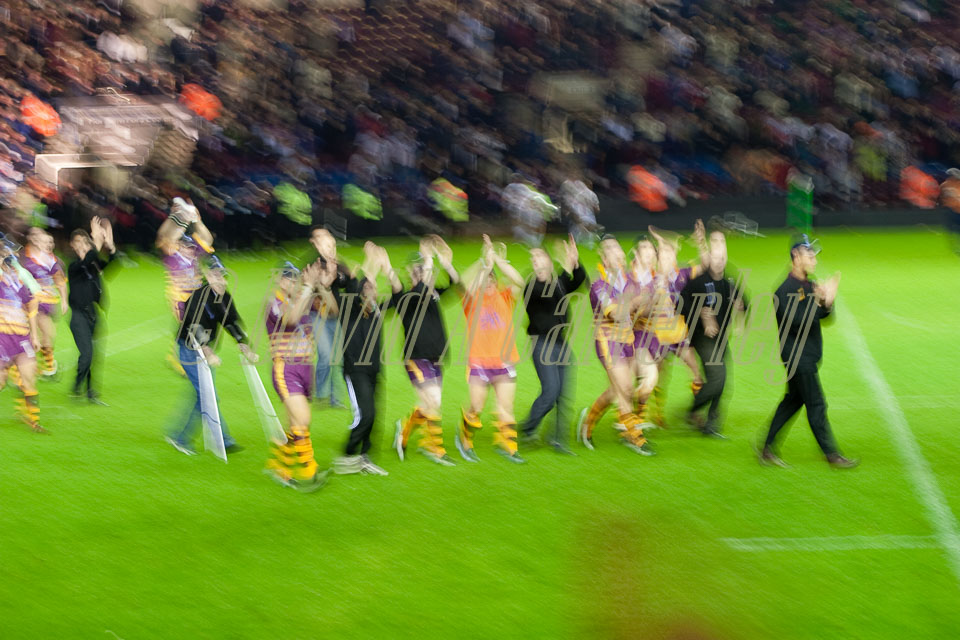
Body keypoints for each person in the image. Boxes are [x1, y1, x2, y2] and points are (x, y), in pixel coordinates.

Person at [759, 235, 858, 469]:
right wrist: (819, 301)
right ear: (795, 256)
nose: (814, 259)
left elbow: (824, 318)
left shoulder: (809, 285)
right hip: (796, 356)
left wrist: (826, 303)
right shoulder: (784, 290)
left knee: (792, 401)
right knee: (816, 404)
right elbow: (797, 322)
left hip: (807, 354)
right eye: (809, 255)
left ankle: (766, 448)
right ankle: (832, 454)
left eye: (815, 255)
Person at [165, 256, 256, 456]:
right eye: (216, 275)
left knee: (204, 395)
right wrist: (208, 352)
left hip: (204, 350)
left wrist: (244, 345)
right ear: (207, 275)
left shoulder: (224, 297)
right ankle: (183, 439)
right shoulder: (198, 298)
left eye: (223, 275)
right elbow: (195, 327)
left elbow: (231, 322)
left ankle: (184, 434)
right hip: (189, 349)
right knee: (207, 395)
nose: (221, 280)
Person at [263, 261, 338, 491]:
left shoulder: (303, 299)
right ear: (279, 280)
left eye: (295, 278)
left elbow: (333, 311)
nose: (292, 282)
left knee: (294, 423)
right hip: (286, 369)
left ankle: (280, 468)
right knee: (303, 419)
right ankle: (309, 470)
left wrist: (322, 287)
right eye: (287, 278)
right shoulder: (274, 302)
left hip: (306, 369)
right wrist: (307, 288)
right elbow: (291, 319)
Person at [577, 235, 653, 455]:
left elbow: (643, 309)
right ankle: (634, 436)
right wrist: (637, 300)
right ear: (604, 257)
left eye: (617, 247)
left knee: (615, 391)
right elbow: (617, 314)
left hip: (628, 340)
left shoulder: (630, 279)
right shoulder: (598, 285)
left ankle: (587, 423)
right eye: (609, 249)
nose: (616, 252)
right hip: (608, 342)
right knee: (626, 388)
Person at [389, 235, 460, 466]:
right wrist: (428, 260)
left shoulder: (434, 293)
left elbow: (456, 283)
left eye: (422, 268)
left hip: (436, 355)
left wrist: (446, 264)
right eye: (416, 269)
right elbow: (421, 290)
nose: (420, 272)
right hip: (416, 357)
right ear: (410, 273)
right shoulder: (405, 296)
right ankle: (435, 448)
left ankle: (405, 431)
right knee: (434, 399)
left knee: (430, 404)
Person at [456, 235, 527, 463]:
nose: (488, 284)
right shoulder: (471, 302)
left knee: (506, 407)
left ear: (496, 283)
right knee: (476, 407)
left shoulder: (505, 297)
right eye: (485, 281)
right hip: (479, 362)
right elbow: (462, 284)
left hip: (504, 361)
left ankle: (509, 446)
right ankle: (465, 435)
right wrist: (483, 264)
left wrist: (498, 261)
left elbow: (519, 282)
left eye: (492, 280)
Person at [519, 235, 587, 454]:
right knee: (550, 392)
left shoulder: (559, 281)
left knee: (563, 396)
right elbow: (550, 294)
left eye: (539, 257)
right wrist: (565, 268)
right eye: (532, 259)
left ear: (548, 260)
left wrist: (575, 262)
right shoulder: (532, 287)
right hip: (542, 344)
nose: (535, 262)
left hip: (561, 345)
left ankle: (558, 440)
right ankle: (527, 428)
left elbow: (579, 280)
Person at [680, 228, 748, 437]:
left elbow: (744, 302)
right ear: (709, 259)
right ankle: (692, 411)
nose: (719, 262)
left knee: (723, 381)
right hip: (702, 338)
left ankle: (711, 425)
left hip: (721, 337)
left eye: (722, 258)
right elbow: (681, 305)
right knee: (718, 377)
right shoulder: (698, 281)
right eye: (716, 258)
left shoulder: (729, 281)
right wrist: (701, 313)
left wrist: (740, 312)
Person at [331, 243, 391, 476]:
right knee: (365, 415)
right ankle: (347, 455)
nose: (370, 289)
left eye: (373, 287)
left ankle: (365, 458)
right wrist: (370, 263)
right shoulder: (349, 309)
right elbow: (355, 291)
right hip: (355, 370)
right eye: (366, 287)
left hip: (375, 370)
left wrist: (384, 267)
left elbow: (398, 294)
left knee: (375, 417)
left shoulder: (377, 310)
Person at [156, 197, 214, 375]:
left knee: (192, 326)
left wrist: (197, 221)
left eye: (190, 246)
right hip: (179, 297)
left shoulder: (195, 253)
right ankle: (184, 358)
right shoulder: (173, 255)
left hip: (196, 296)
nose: (189, 249)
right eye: (185, 246)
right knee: (190, 324)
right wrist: (174, 217)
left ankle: (177, 355)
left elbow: (208, 239)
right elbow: (163, 236)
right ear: (180, 246)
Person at [67, 217, 116, 405]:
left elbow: (111, 266)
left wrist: (111, 247)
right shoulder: (74, 267)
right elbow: (87, 260)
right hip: (78, 315)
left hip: (94, 314)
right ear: (72, 246)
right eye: (78, 242)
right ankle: (76, 387)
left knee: (95, 356)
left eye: (84, 242)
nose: (82, 245)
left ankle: (91, 392)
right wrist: (96, 239)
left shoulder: (93, 264)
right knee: (87, 355)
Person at [0, 240, 44, 433]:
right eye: (6, 258)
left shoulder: (19, 283)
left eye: (10, 258)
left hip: (22, 338)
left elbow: (31, 309)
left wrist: (34, 336)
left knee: (29, 379)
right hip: (2, 338)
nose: (10, 261)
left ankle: (34, 421)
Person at [306, 226, 345, 408]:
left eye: (327, 236)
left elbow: (346, 280)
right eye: (320, 237)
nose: (325, 239)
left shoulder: (336, 261)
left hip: (336, 314)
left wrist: (335, 271)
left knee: (338, 358)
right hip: (317, 315)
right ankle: (321, 394)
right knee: (326, 355)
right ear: (314, 242)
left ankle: (335, 398)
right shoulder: (310, 262)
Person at [20, 228, 66, 379]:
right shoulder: (23, 258)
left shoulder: (51, 259)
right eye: (36, 236)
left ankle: (46, 367)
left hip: (49, 302)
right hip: (34, 303)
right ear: (31, 238)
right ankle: (46, 368)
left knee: (44, 337)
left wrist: (63, 300)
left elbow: (59, 280)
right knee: (45, 334)